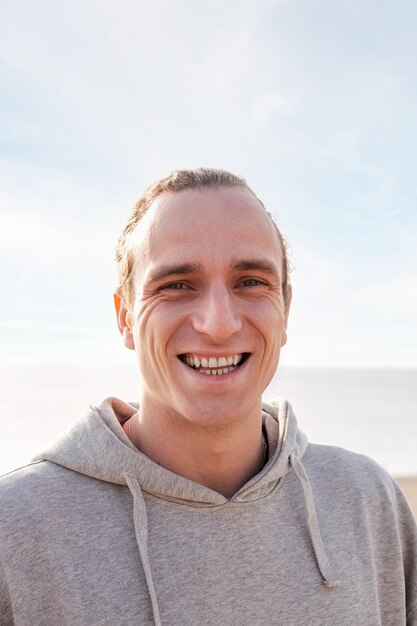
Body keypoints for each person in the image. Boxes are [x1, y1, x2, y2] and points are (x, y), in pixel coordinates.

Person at [0, 168, 416, 626]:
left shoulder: (368, 501)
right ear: (125, 318)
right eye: (176, 285)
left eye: (251, 282)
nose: (218, 324)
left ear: (285, 309)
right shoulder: (17, 528)